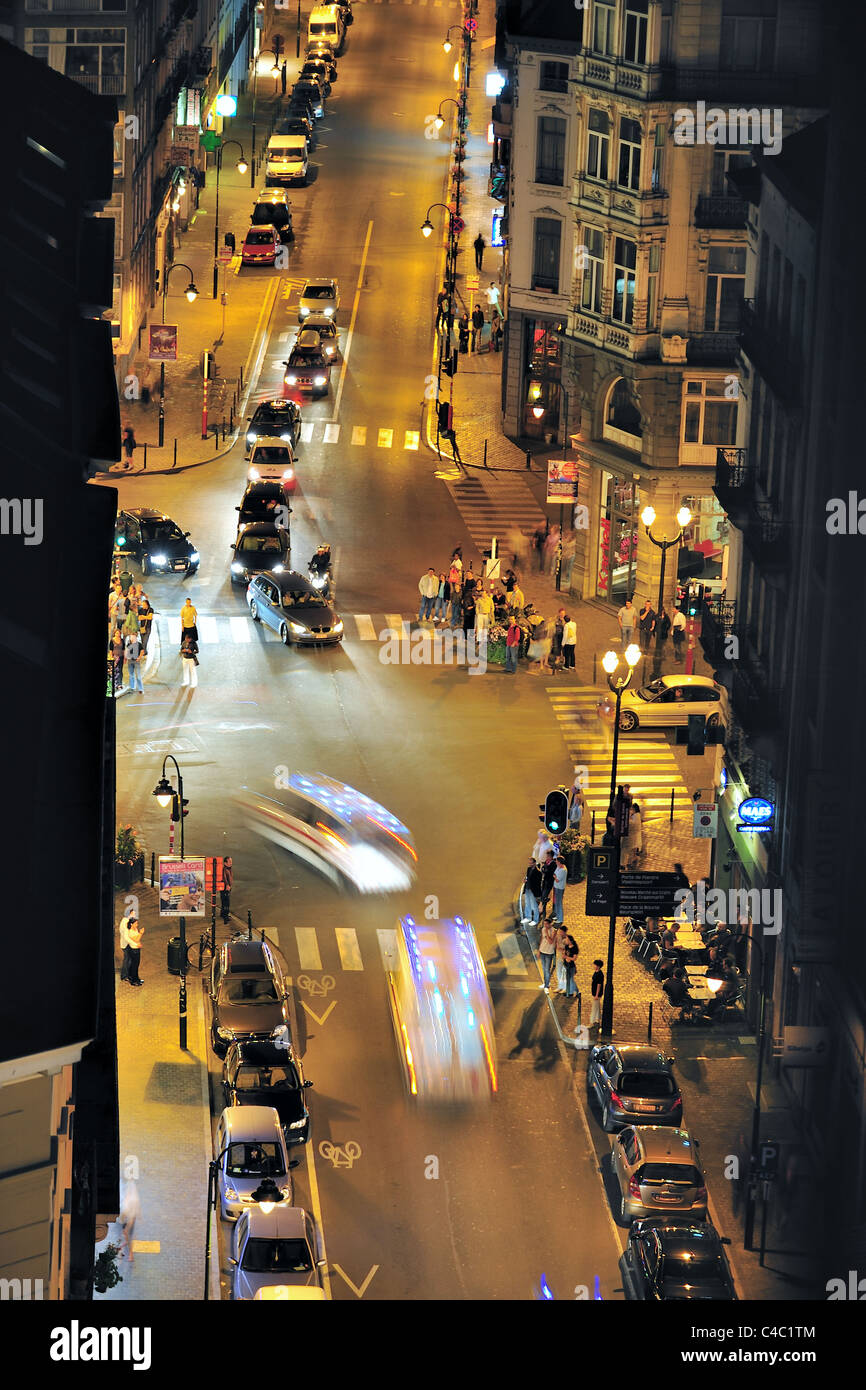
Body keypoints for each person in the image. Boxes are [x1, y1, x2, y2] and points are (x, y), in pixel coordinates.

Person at [522, 860, 543, 927]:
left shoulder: (538, 872)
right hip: (528, 889)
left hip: (533, 891)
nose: (530, 864)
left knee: (534, 906)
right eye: (529, 863)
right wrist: (525, 880)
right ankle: (528, 917)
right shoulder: (529, 869)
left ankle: (536, 920)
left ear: (534, 863)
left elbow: (538, 883)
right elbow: (528, 877)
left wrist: (529, 881)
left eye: (531, 863)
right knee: (527, 903)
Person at [624, 799, 643, 868]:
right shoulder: (637, 815)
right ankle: (633, 858)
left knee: (633, 847)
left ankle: (631, 860)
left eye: (632, 809)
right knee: (634, 847)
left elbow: (633, 824)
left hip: (634, 834)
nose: (631, 810)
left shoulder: (636, 816)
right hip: (635, 834)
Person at [538, 920, 557, 989]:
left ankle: (546, 985)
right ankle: (546, 982)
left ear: (550, 924)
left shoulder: (553, 931)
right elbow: (542, 939)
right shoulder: (543, 929)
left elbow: (550, 941)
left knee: (547, 969)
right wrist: (539, 950)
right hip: (543, 950)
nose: (545, 926)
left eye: (546, 924)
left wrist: (546, 933)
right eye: (544, 924)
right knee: (544, 968)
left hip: (549, 952)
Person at [126, 917, 144, 985]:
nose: (137, 924)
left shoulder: (135, 929)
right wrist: (141, 933)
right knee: (135, 965)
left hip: (136, 948)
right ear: (131, 924)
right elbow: (136, 940)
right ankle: (134, 981)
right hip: (134, 950)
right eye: (136, 923)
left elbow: (137, 939)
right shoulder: (130, 932)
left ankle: (135, 978)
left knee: (134, 964)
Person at [540, 851, 556, 920]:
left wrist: (545, 870)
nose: (547, 857)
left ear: (551, 857)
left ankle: (543, 914)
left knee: (544, 897)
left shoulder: (553, 864)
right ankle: (542, 911)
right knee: (543, 897)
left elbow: (549, 873)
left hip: (548, 883)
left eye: (548, 856)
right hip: (544, 882)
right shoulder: (547, 862)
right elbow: (543, 869)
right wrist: (544, 869)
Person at [551, 856, 567, 925]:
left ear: (559, 862)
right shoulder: (559, 867)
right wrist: (555, 876)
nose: (556, 861)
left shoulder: (563, 870)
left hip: (559, 888)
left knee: (559, 903)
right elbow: (555, 874)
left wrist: (554, 876)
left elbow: (557, 880)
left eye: (557, 861)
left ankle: (560, 919)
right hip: (556, 887)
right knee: (556, 902)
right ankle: (557, 916)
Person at [562, 933, 579, 998]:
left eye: (566, 939)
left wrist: (566, 957)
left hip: (571, 966)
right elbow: (564, 953)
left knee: (571, 979)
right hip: (566, 965)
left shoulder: (574, 948)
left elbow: (574, 958)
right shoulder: (566, 946)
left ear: (570, 941)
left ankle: (575, 991)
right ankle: (569, 991)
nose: (565, 940)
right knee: (568, 979)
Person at [118, 911, 133, 982]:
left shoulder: (125, 920)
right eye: (133, 913)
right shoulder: (125, 922)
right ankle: (124, 975)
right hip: (126, 944)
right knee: (127, 960)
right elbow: (126, 936)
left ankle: (127, 975)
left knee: (128, 959)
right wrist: (133, 943)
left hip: (126, 944)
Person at [590, 959, 604, 1027]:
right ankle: (597, 1019)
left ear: (598, 966)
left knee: (594, 1007)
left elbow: (599, 985)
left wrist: (596, 995)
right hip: (595, 992)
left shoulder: (600, 974)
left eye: (595, 965)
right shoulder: (597, 972)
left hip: (597, 993)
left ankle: (592, 1021)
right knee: (597, 1006)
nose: (594, 966)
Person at [220, 856, 233, 923]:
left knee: (224, 902)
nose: (231, 863)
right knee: (226, 902)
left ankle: (223, 914)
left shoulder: (229, 868)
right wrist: (227, 885)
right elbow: (224, 878)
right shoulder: (224, 869)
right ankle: (225, 916)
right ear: (225, 863)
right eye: (229, 861)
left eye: (231, 861)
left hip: (227, 887)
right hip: (225, 888)